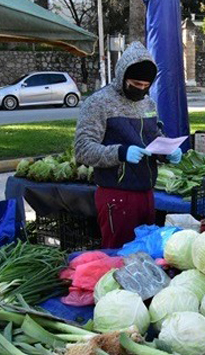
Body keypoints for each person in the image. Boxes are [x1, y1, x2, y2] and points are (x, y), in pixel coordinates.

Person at [75, 42, 182, 248]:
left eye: (145, 86)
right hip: (116, 195)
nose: (141, 90)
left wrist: (166, 152)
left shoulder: (148, 103)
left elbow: (154, 136)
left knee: (145, 253)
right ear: (122, 77)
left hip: (147, 193)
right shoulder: (99, 103)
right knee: (118, 254)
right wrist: (120, 153)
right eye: (135, 84)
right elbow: (82, 149)